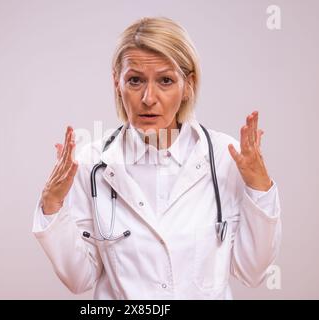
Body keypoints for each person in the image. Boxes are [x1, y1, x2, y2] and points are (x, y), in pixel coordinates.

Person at [32, 16, 281, 299]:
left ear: (188, 85)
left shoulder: (226, 158)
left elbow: (252, 271)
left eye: (165, 81)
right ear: (117, 84)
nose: (148, 98)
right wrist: (52, 205)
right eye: (135, 80)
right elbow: (80, 280)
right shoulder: (90, 164)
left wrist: (259, 188)